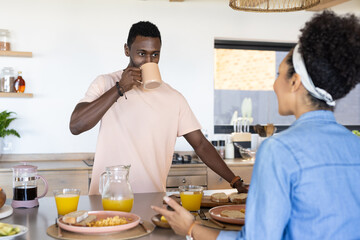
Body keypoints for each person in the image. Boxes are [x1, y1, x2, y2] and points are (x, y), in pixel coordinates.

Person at [152, 11, 360, 240]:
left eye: (278, 74)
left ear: (295, 81)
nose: (273, 84)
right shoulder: (355, 145)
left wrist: (191, 229)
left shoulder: (279, 150)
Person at [69, 21, 247, 194]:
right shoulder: (105, 83)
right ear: (126, 50)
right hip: (107, 200)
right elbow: (76, 125)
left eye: (155, 55)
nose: (149, 61)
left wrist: (235, 181)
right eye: (141, 53)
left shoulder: (174, 98)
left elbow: (200, 144)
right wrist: (119, 89)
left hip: (151, 199)